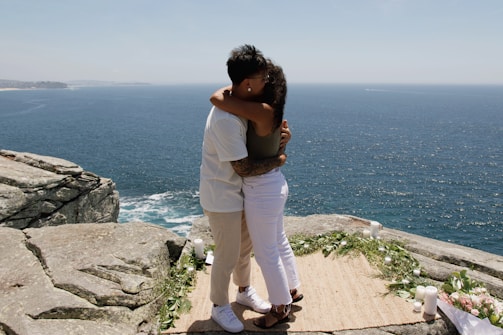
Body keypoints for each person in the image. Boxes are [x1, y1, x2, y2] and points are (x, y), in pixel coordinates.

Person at [199, 44, 291, 333]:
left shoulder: (235, 100)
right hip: (222, 194)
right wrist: (279, 159)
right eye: (263, 79)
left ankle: (243, 290)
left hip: (240, 193)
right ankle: (218, 305)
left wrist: (280, 137)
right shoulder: (226, 120)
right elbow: (244, 167)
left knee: (244, 249)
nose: (267, 83)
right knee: (226, 253)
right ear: (248, 84)